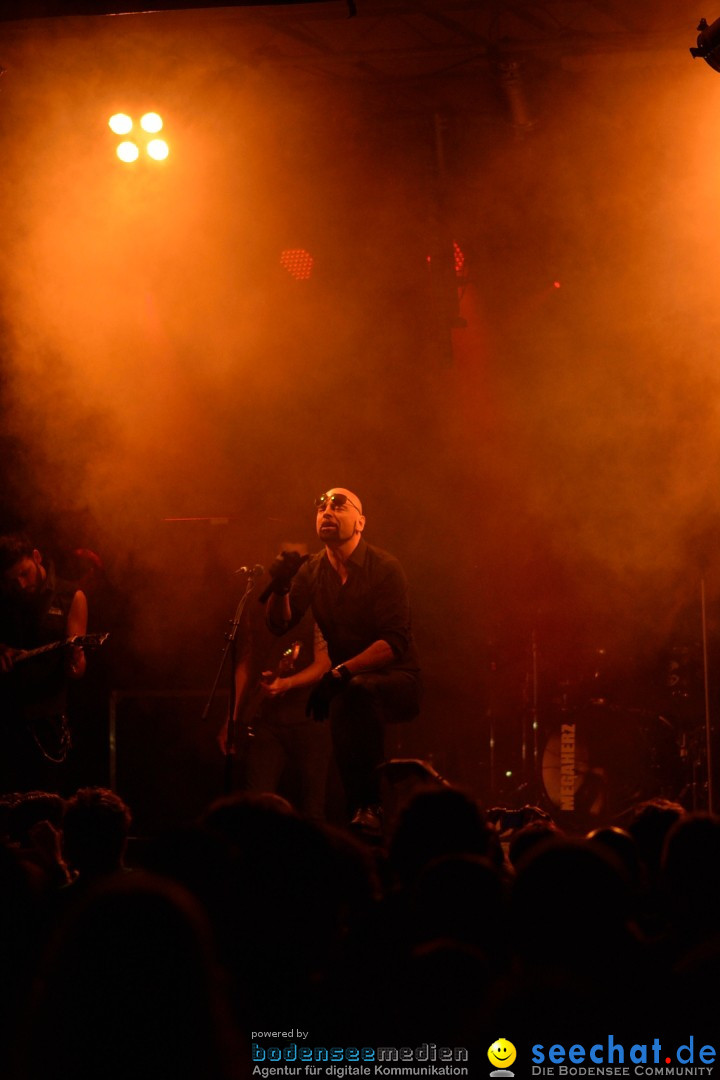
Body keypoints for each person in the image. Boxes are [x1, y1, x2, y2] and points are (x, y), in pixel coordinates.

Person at [265, 488, 420, 831]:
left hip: (397, 677)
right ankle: (358, 814)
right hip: (347, 682)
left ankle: (372, 807)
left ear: (360, 522)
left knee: (357, 692)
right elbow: (279, 625)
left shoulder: (384, 568)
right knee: (349, 697)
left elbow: (393, 642)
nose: (327, 511)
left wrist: (339, 672)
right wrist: (281, 587)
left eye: (338, 505)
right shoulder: (313, 571)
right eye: (321, 506)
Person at [226, 547, 332, 820]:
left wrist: (286, 683)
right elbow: (245, 664)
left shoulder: (316, 603)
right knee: (257, 805)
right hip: (266, 722)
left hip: (309, 719)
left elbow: (324, 663)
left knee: (312, 806)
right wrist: (233, 717)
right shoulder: (257, 604)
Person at [0, 533, 88, 794]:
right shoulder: (5, 595)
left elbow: (77, 672)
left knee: (46, 800)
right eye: (11, 579)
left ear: (36, 557)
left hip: (47, 719)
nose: (20, 583)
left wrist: (77, 659)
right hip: (6, 714)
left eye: (24, 573)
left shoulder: (70, 595)